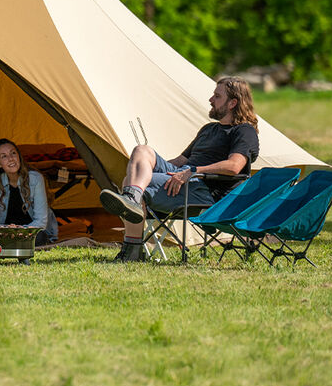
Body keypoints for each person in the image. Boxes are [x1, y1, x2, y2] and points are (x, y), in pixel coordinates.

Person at [99, 77, 259, 262]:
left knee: (131, 182)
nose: (210, 100)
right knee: (142, 151)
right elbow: (180, 161)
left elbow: (234, 166)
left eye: (217, 96)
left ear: (232, 103)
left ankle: (132, 249)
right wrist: (150, 169)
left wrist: (192, 170)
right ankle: (132, 199)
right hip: (185, 177)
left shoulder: (244, 131)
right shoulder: (208, 129)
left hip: (206, 190)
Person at [0, 138, 58, 245]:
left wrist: (18, 232)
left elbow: (41, 222)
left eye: (13, 153)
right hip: (7, 232)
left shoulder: (35, 179)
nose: (11, 158)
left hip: (34, 231)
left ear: (19, 157)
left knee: (38, 238)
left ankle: (8, 242)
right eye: (4, 156)